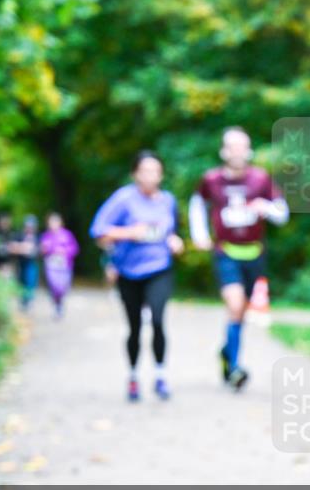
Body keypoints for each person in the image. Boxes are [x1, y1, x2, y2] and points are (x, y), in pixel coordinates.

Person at [188, 127, 289, 391]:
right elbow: (197, 204)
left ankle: (226, 351)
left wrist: (264, 208)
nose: (237, 151)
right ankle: (234, 367)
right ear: (223, 150)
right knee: (234, 305)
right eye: (232, 146)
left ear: (249, 150)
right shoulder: (211, 180)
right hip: (226, 251)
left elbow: (282, 213)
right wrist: (200, 234)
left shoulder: (260, 178)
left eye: (241, 146)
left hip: (254, 252)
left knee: (241, 311)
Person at [89, 151, 184, 401]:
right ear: (135, 174)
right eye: (145, 170)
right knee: (134, 327)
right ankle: (132, 377)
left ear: (161, 175)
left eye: (155, 171)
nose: (150, 176)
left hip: (160, 268)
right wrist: (130, 232)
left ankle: (161, 375)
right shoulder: (123, 199)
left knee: (158, 319)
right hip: (129, 271)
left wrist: (174, 241)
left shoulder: (168, 201)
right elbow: (98, 232)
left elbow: (171, 231)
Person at [39, 212, 80, 319]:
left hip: (65, 266)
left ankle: (59, 303)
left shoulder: (67, 235)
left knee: (63, 287)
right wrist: (46, 250)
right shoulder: (46, 236)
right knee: (54, 286)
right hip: (51, 266)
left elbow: (75, 248)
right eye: (51, 222)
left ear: (60, 222)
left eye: (55, 221)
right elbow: (42, 250)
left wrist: (64, 252)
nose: (53, 224)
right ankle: (57, 305)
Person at [11, 215, 40, 311]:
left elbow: (38, 250)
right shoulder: (19, 235)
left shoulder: (37, 237)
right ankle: (23, 301)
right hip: (21, 263)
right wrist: (23, 248)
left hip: (31, 263)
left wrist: (25, 248)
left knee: (30, 281)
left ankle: (28, 300)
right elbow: (12, 247)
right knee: (21, 282)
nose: (29, 228)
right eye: (28, 226)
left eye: (31, 226)